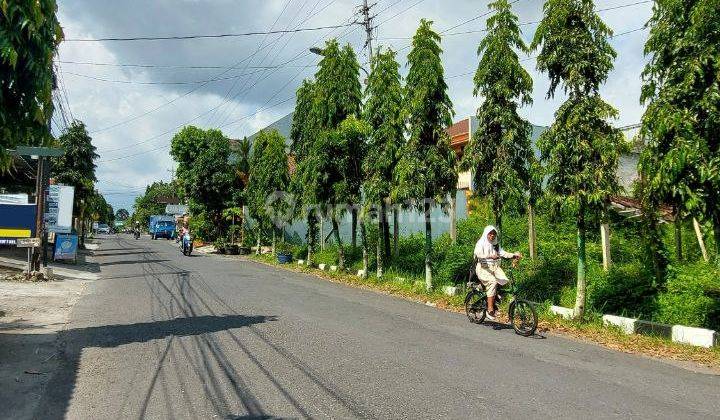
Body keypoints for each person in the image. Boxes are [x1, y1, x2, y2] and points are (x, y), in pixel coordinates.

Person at [473, 225, 521, 321]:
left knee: (504, 280)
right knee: (493, 282)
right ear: (486, 234)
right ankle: (489, 309)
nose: (492, 236)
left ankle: (492, 295)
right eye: (490, 234)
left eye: (494, 234)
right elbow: (478, 254)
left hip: (494, 268)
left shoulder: (495, 244)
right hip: (483, 268)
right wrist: (490, 256)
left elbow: (503, 253)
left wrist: (513, 255)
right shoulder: (481, 243)